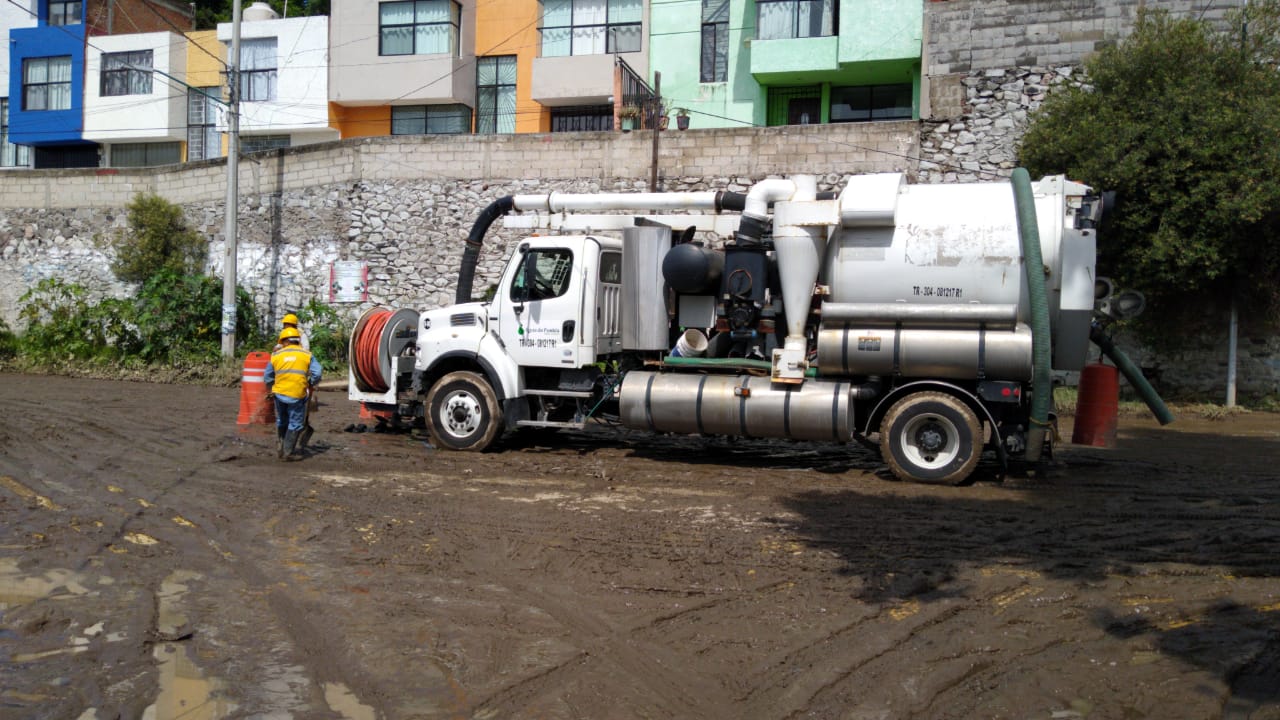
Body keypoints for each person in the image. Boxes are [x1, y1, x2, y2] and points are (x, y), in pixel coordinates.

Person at [265, 327, 322, 461]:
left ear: (285, 341)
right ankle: (288, 452)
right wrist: (311, 382)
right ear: (297, 341)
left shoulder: (276, 355)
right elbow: (317, 373)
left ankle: (281, 447)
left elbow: (267, 376)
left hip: (279, 394)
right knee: (295, 423)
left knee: (282, 419)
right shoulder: (306, 355)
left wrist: (271, 388)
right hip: (297, 394)